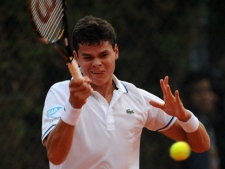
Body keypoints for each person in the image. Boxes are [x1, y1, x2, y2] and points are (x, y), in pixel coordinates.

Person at [41, 15, 210, 169]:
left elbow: (201, 145)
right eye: (88, 57)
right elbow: (55, 156)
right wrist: (73, 107)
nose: (97, 63)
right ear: (76, 57)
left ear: (115, 52)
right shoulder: (60, 93)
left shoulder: (137, 97)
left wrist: (185, 117)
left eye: (103, 54)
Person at [180, 71, 220, 169]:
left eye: (207, 90)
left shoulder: (210, 121)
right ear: (189, 97)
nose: (205, 97)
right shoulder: (192, 126)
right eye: (198, 92)